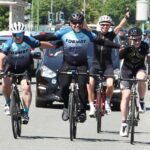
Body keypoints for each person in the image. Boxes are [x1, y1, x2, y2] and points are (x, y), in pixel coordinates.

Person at [34, 12, 120, 122]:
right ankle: (66, 107)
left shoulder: (87, 34)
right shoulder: (64, 32)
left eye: (79, 23)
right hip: (67, 64)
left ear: (82, 23)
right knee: (64, 87)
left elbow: (103, 42)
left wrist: (118, 46)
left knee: (83, 88)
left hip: (81, 64)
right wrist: (30, 38)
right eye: (74, 23)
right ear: (70, 23)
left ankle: (82, 111)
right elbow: (48, 36)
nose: (77, 25)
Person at [0, 22, 54, 124]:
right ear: (12, 35)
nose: (18, 37)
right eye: (15, 35)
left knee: (26, 88)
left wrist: (54, 46)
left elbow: (42, 44)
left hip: (25, 68)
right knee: (5, 83)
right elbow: (1, 57)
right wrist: (1, 70)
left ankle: (25, 112)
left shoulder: (29, 40)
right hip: (10, 68)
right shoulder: (8, 43)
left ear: (23, 33)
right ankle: (7, 103)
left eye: (20, 35)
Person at [88, 10, 130, 117]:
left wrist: (126, 17)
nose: (105, 26)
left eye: (107, 25)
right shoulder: (94, 35)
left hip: (107, 65)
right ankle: (92, 107)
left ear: (110, 26)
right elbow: (86, 28)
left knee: (110, 84)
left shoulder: (111, 35)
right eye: (103, 25)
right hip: (95, 64)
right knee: (90, 83)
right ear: (99, 25)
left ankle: (107, 102)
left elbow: (120, 26)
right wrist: (82, 18)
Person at [119, 27, 149, 137]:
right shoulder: (125, 45)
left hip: (139, 68)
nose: (136, 42)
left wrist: (148, 73)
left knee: (141, 78)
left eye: (138, 39)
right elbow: (119, 56)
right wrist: (125, 48)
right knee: (126, 95)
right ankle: (123, 124)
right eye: (133, 39)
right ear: (129, 39)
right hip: (126, 70)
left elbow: (148, 59)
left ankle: (141, 101)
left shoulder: (145, 46)